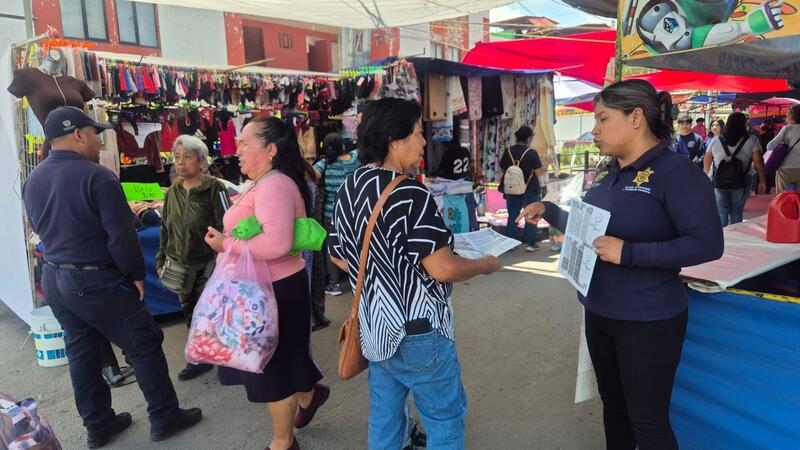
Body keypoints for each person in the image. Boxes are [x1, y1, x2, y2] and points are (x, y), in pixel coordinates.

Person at [520, 80, 724, 450]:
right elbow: (596, 232)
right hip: (601, 312)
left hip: (648, 319)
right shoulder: (609, 171)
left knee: (647, 420)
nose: (594, 129)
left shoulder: (676, 173)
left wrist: (630, 253)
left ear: (636, 118)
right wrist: (549, 212)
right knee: (614, 408)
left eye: (602, 119)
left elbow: (707, 244)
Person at [22, 107, 202, 449]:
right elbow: (122, 237)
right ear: (78, 134)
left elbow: (39, 227)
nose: (98, 140)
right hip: (94, 278)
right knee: (143, 343)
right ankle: (165, 416)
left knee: (83, 353)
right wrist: (135, 275)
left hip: (56, 278)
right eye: (94, 133)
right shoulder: (97, 176)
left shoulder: (35, 178)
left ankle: (99, 426)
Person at [328, 98, 502, 449]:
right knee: (444, 420)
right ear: (395, 139)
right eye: (418, 133)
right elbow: (443, 268)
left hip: (375, 328)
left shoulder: (349, 187)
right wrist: (483, 265)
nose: (424, 142)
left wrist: (385, 268)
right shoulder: (410, 193)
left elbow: (339, 257)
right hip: (419, 330)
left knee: (386, 419)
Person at [204, 117, 327, 450]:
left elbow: (276, 244)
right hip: (263, 288)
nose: (237, 149)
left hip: (275, 291)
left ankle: (283, 442)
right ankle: (310, 394)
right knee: (286, 360)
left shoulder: (275, 185)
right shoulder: (266, 183)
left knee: (274, 371)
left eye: (245, 143)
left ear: (270, 149)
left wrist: (225, 244)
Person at [156, 135, 229, 381]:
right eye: (177, 157)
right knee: (190, 312)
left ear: (201, 162)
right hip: (179, 263)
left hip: (208, 262)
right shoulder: (173, 191)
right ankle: (200, 357)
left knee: (209, 310)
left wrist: (224, 258)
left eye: (187, 157)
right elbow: (165, 227)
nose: (180, 162)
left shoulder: (214, 187)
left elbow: (226, 224)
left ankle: (220, 354)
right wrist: (160, 258)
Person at [313, 133, 360, 297]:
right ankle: (358, 279)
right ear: (342, 146)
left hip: (331, 214)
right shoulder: (354, 159)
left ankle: (334, 284)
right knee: (354, 246)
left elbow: (311, 176)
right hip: (354, 212)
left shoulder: (324, 164)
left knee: (332, 248)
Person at [704, 112, 767, 226]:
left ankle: (722, 237)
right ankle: (735, 236)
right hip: (742, 179)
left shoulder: (716, 140)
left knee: (721, 210)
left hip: (720, 179)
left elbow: (707, 158)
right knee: (737, 210)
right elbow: (758, 160)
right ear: (744, 124)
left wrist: (707, 175)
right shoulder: (752, 139)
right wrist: (762, 180)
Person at [499, 126, 545, 251]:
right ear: (529, 138)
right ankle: (530, 243)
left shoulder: (507, 151)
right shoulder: (532, 153)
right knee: (531, 215)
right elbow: (539, 173)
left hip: (512, 190)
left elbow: (503, 169)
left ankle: (510, 243)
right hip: (530, 189)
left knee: (513, 215)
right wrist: (547, 164)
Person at [767, 104, 800, 192]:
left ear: (792, 117)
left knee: (783, 198)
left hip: (785, 169)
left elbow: (769, 146)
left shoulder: (787, 129)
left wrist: (782, 143)